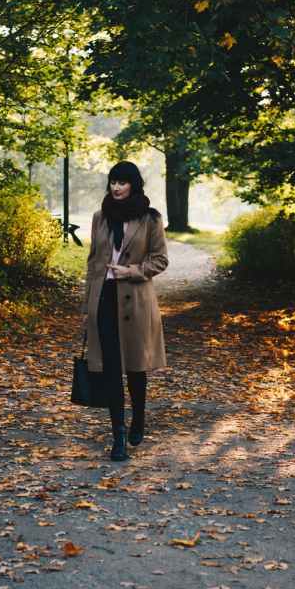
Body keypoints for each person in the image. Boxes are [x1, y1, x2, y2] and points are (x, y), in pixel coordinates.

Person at [81, 161, 169, 461]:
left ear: (134, 184)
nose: (116, 188)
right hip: (104, 299)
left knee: (135, 368)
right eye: (112, 182)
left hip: (136, 302)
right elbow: (93, 263)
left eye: (122, 182)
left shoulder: (150, 219)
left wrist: (130, 271)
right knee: (110, 370)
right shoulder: (100, 218)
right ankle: (117, 435)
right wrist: (87, 306)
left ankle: (139, 418)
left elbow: (160, 260)